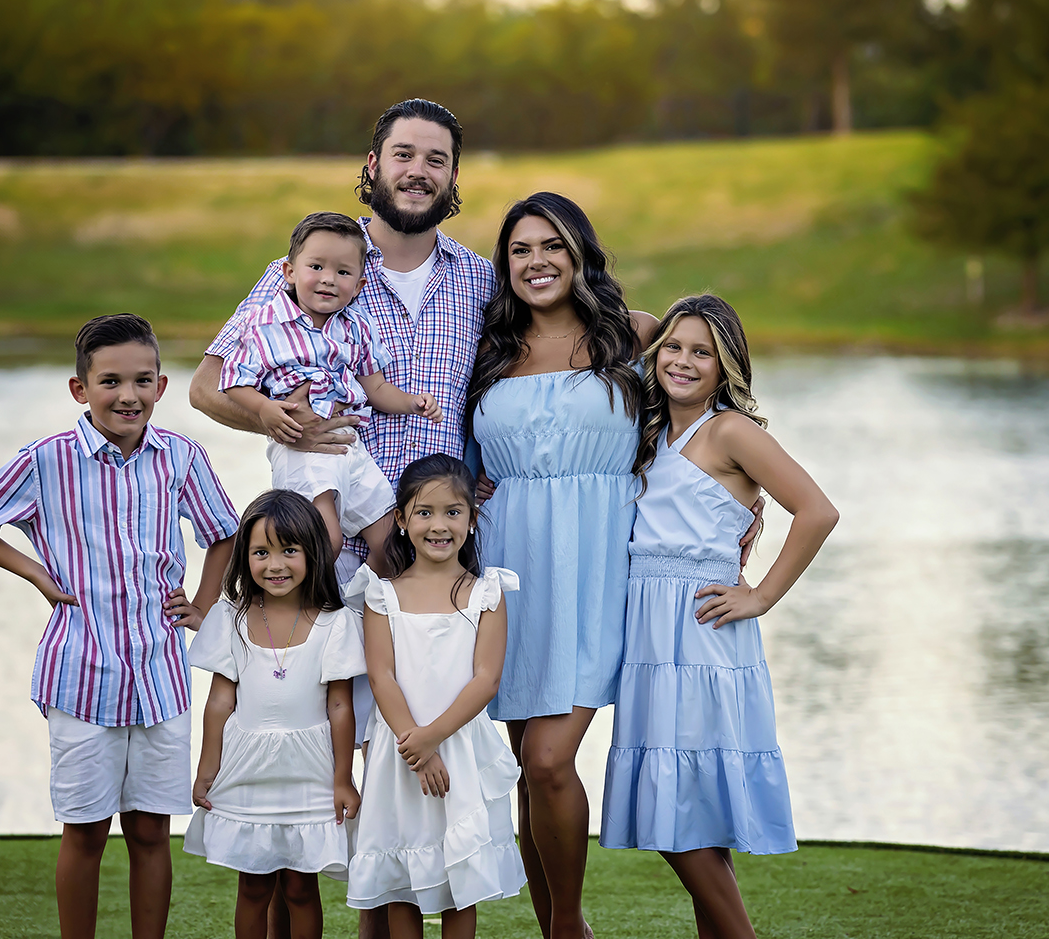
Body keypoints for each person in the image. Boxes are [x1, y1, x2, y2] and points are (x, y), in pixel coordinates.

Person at [189, 99, 494, 939]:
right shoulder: (306, 261)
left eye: (436, 158)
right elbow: (209, 386)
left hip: (430, 545)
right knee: (332, 737)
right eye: (403, 153)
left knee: (413, 745)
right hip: (326, 544)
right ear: (374, 163)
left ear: (453, 177)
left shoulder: (478, 278)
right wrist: (274, 420)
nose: (418, 170)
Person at [0, 313, 240, 939]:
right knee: (84, 831)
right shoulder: (46, 460)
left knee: (152, 830)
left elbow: (224, 533)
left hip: (159, 677)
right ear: (81, 389)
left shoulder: (181, 457)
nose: (127, 395)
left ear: (161, 387)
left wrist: (206, 606)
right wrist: (39, 576)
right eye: (110, 382)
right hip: (81, 674)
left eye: (142, 381)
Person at [599, 294, 840, 939]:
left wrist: (760, 594)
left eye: (701, 352)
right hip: (649, 635)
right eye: (672, 347)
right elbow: (623, 321)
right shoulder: (650, 429)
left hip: (702, 634)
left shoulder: (730, 431)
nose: (681, 361)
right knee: (694, 809)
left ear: (724, 365)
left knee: (677, 813)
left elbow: (817, 511)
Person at [465, 192, 654, 939]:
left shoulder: (635, 337)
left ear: (579, 255)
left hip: (598, 569)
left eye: (552, 246)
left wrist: (745, 501)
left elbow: (713, 411)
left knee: (548, 760)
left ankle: (571, 926)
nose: (535, 261)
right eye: (519, 249)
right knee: (524, 768)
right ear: (504, 265)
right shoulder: (488, 354)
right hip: (509, 572)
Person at [344, 455, 527, 939]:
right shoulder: (382, 594)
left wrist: (434, 740)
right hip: (399, 753)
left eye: (452, 512)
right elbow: (381, 676)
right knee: (404, 874)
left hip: (459, 748)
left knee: (458, 875)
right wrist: (416, 746)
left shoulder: (486, 591)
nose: (438, 525)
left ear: (471, 518)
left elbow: (486, 678)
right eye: (423, 512)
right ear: (401, 520)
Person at [185, 490, 367, 939]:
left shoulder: (335, 622)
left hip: (311, 773)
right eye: (261, 552)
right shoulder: (231, 617)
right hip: (248, 772)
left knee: (302, 888)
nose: (276, 565)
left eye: (290, 550)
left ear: (312, 553)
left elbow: (341, 706)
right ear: (244, 557)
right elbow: (220, 702)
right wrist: (208, 766)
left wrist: (343, 778)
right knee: (252, 887)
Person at [216, 211, 443, 563]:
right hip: (302, 450)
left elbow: (376, 388)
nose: (328, 280)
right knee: (326, 540)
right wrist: (265, 410)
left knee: (392, 542)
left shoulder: (356, 328)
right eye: (316, 267)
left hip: (350, 449)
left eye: (343, 272)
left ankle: (365, 603)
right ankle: (320, 613)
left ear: (359, 285)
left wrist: (413, 403)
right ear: (289, 272)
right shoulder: (264, 324)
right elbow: (232, 381)